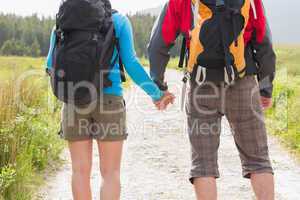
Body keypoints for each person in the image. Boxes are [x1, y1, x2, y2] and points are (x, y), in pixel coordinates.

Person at [148, 0, 276, 199]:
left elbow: (158, 43)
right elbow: (264, 42)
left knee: (203, 164)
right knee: (258, 160)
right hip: (243, 83)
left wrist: (159, 85)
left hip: (201, 86)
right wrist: (265, 88)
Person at [46, 6, 174, 200]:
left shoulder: (63, 20)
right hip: (109, 99)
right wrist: (156, 94)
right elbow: (130, 63)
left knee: (79, 172)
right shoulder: (119, 21)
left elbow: (50, 64)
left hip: (74, 100)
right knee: (110, 173)